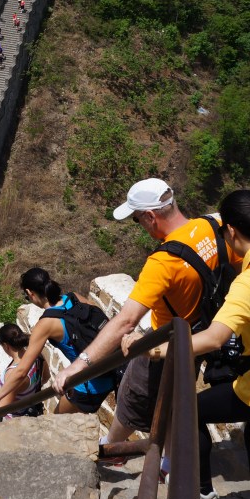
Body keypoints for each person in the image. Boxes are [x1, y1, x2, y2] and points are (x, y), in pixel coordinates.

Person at [54, 178, 241, 444]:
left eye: (137, 219)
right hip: (209, 329)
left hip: (168, 340)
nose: (140, 226)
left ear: (151, 217)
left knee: (135, 396)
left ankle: (114, 448)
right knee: (180, 395)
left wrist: (78, 365)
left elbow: (126, 321)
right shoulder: (216, 224)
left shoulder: (163, 262)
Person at [124, 190, 250, 499]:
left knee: (187, 411)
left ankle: (201, 489)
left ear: (232, 230)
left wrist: (153, 350)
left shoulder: (246, 284)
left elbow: (213, 339)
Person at [0, 269, 116, 418]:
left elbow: (20, 371)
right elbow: (105, 326)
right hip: (112, 369)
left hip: (89, 384)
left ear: (30, 293)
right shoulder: (74, 298)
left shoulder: (45, 324)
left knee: (54, 423)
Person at [0, 323, 47, 416]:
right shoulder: (37, 355)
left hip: (17, 421)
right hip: (35, 411)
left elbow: (3, 408)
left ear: (6, 345)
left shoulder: (12, 373)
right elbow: (46, 377)